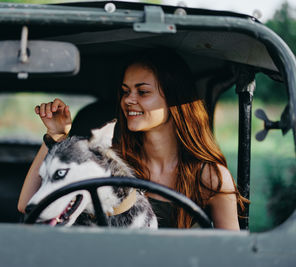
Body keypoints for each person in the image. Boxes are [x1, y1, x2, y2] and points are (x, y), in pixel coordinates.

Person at [17, 50, 247, 230]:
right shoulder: (111, 162)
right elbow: (27, 204)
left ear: (174, 98)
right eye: (126, 91)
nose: (129, 100)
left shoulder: (209, 177)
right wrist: (56, 137)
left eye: (143, 92)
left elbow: (232, 253)